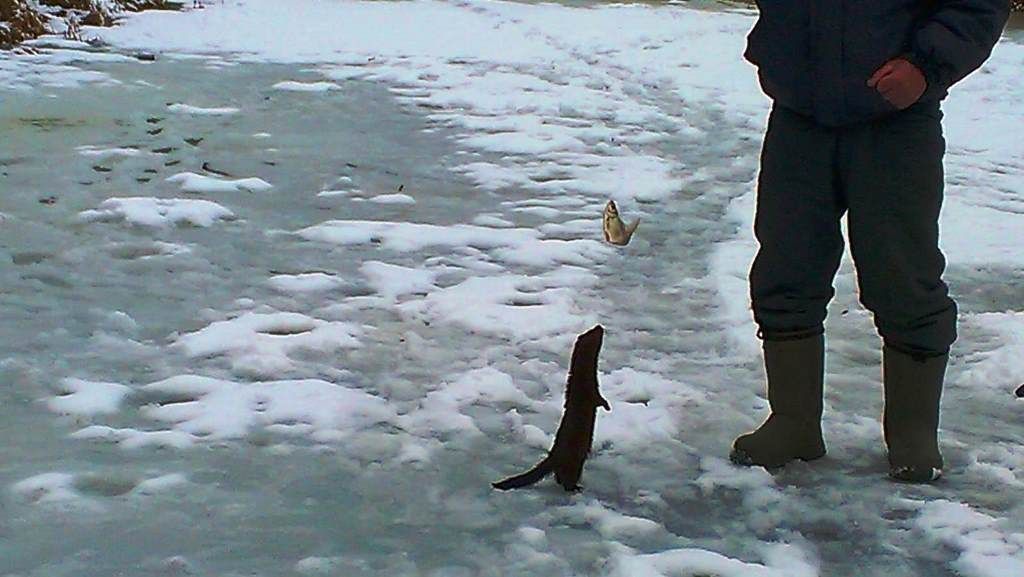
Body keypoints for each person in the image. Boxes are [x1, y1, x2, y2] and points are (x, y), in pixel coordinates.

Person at [730, 1, 1010, 483]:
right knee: (785, 267)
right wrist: (778, 52)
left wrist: (925, 67)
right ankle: (794, 423)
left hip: (898, 120)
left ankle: (912, 433)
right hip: (799, 113)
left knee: (902, 274)